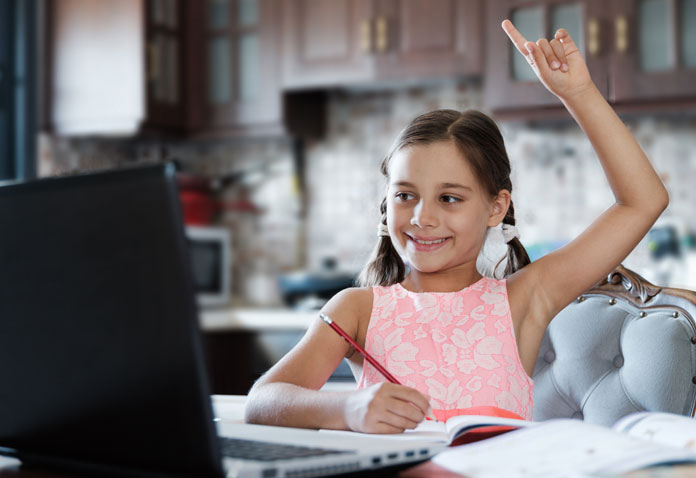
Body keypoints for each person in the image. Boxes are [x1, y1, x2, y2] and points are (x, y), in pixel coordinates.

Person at [244, 20, 669, 433]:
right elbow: (264, 400)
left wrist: (579, 93)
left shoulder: (523, 300)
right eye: (405, 195)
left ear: (495, 208)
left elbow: (643, 201)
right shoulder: (356, 309)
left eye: (449, 198)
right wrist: (348, 408)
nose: (421, 217)